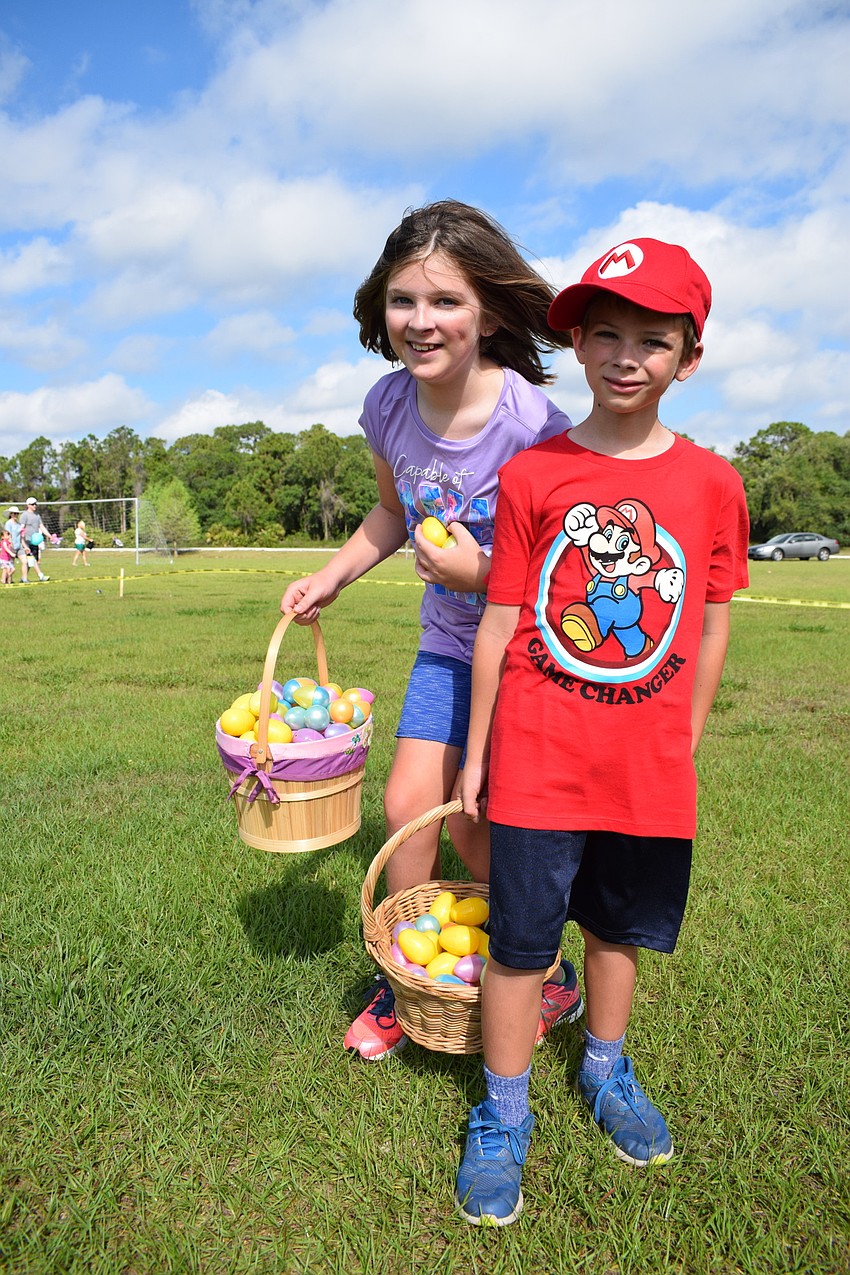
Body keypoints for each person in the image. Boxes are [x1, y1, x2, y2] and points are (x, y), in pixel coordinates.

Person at [454, 238, 750, 1225]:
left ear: (687, 357)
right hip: (536, 759)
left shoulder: (711, 483)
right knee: (521, 943)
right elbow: (501, 617)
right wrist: (477, 754)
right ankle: (502, 1115)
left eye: (652, 341)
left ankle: (606, 1070)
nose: (627, 357)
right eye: (606, 335)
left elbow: (709, 616)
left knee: (618, 930)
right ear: (576, 344)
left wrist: (688, 734)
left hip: (645, 768)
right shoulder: (535, 474)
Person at [281, 200, 584, 1060]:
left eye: (446, 301)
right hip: (450, 649)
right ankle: (402, 976)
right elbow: (389, 509)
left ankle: (532, 971)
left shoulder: (531, 424)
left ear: (487, 310)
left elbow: (565, 577)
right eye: (404, 300)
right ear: (381, 306)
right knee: (411, 806)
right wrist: (331, 577)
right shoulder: (387, 406)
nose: (422, 321)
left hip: (527, 654)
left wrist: (480, 573)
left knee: (482, 823)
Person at [19, 497, 50, 582]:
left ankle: (23, 578)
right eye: (33, 504)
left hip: (35, 542)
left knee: (31, 561)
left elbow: (41, 526)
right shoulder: (24, 515)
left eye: (35, 503)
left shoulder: (37, 516)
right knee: (32, 559)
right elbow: (21, 528)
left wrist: (49, 536)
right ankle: (41, 576)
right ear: (28, 505)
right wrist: (23, 542)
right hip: (26, 541)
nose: (35, 505)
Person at [4, 506, 30, 583]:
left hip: (19, 547)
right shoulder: (8, 524)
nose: (15, 515)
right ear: (10, 514)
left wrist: (25, 547)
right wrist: (10, 547)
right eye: (14, 513)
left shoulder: (19, 525)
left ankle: (24, 578)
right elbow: (7, 536)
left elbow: (21, 538)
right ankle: (9, 579)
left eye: (17, 514)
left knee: (25, 562)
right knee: (11, 565)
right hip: (11, 547)